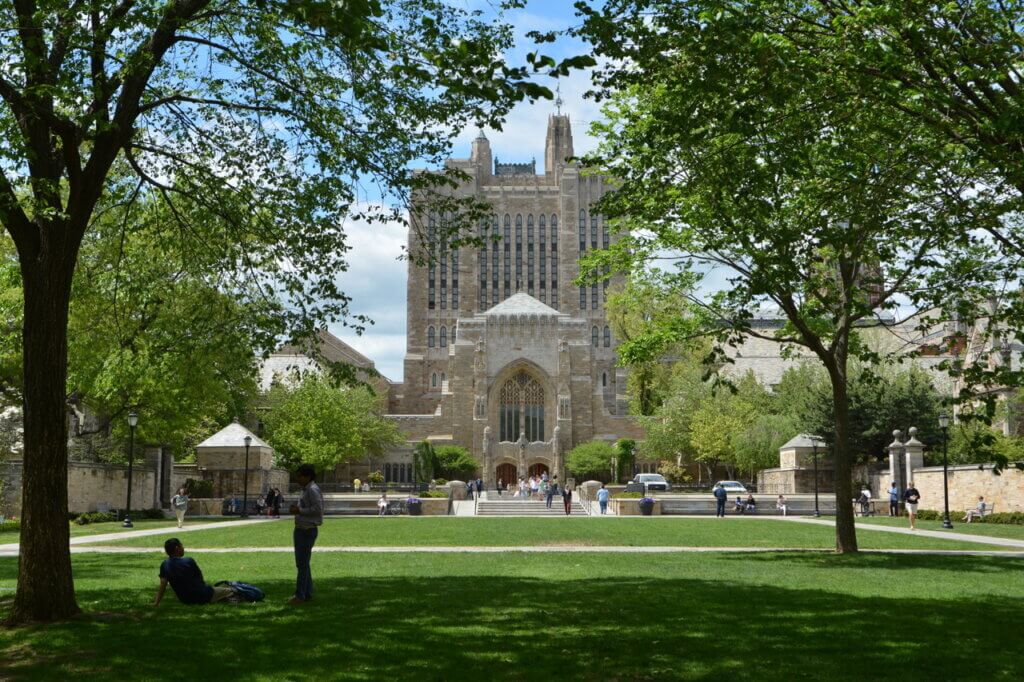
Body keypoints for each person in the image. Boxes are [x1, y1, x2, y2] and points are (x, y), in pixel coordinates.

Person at [153, 538, 234, 606]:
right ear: (177, 548)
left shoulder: (165, 564)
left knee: (220, 590)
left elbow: (163, 585)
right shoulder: (188, 561)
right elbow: (200, 579)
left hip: (186, 600)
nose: (183, 548)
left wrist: (156, 603)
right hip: (203, 595)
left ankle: (223, 599)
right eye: (182, 545)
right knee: (232, 590)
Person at [288, 463, 323, 604]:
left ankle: (300, 596)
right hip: (302, 528)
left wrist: (299, 511)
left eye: (300, 476)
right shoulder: (306, 489)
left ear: (308, 476)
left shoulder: (312, 490)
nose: (298, 479)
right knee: (303, 563)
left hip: (307, 530)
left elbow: (317, 509)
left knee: (302, 564)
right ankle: (307, 593)